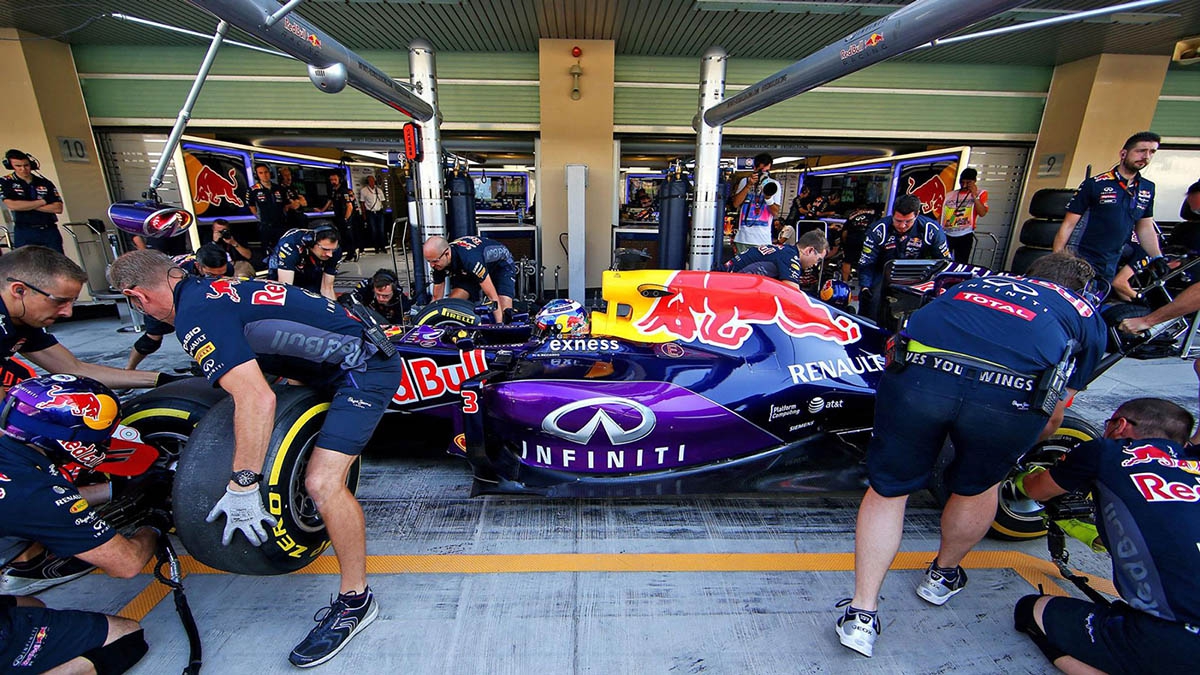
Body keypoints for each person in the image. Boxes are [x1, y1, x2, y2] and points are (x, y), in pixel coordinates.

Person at [110, 249, 406, 668]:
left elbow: (257, 399)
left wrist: (243, 484)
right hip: (321, 361)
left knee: (321, 483)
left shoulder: (196, 314)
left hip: (364, 368)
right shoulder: (204, 290)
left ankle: (357, 600)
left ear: (137, 297)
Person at [835, 252, 1106, 658]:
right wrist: (1017, 447)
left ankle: (861, 614)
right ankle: (941, 577)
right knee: (978, 487)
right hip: (1008, 395)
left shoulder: (975, 282)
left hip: (919, 376)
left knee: (888, 491)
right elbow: (1055, 412)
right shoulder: (1084, 312)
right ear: (1079, 289)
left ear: (1028, 274)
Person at [1015, 398, 1200, 675]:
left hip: (1179, 638)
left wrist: (1028, 475)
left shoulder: (1105, 451)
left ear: (1120, 425)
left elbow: (1036, 490)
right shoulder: (1193, 461)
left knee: (1030, 609)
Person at [0, 375, 164, 674]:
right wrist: (154, 524)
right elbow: (126, 564)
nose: (102, 442)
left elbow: (33, 503)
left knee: (30, 606)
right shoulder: (37, 493)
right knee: (125, 638)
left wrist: (115, 490)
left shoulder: (17, 466)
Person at [0, 246, 170, 391]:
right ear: (19, 291)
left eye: (72, 302)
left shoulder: (24, 319)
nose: (68, 313)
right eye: (59, 301)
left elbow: (74, 369)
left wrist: (164, 380)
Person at [1054, 131, 1163, 281]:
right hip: (1080, 257)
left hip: (1110, 261)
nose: (1146, 156)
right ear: (1123, 154)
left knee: (1100, 295)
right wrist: (1057, 259)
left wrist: (1157, 257)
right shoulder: (1095, 184)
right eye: (1141, 151)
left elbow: (1145, 227)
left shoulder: (1147, 188)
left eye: (1152, 152)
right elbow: (1068, 225)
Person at [126, 243, 234, 370]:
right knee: (152, 340)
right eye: (211, 274)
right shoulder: (177, 272)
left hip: (195, 297)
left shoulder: (227, 268)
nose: (217, 278)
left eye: (220, 274)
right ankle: (128, 370)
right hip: (161, 296)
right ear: (198, 266)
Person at [857, 194, 951, 324]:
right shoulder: (879, 230)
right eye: (898, 221)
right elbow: (866, 262)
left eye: (908, 221)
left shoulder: (931, 230)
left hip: (919, 276)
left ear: (917, 214)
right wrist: (865, 286)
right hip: (883, 274)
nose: (902, 226)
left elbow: (945, 262)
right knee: (871, 302)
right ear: (892, 214)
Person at [423, 235, 516, 324]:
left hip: (500, 265)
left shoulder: (470, 258)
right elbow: (436, 300)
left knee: (504, 312)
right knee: (451, 305)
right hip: (469, 270)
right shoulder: (438, 262)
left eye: (435, 261)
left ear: (447, 254)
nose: (432, 265)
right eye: (429, 261)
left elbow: (492, 296)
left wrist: (499, 324)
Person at [1, 149, 64, 253]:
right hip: (25, 231)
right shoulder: (5, 182)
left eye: (26, 165)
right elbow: (13, 205)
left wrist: (26, 205)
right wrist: (43, 201)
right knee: (25, 262)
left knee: (56, 261)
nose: (23, 169)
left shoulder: (45, 182)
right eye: (18, 166)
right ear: (10, 166)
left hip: (49, 230)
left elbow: (58, 208)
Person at [723, 230, 827, 292]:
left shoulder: (784, 250)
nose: (815, 264)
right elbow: (793, 294)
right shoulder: (791, 258)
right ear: (809, 250)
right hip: (726, 287)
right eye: (818, 259)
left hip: (724, 279)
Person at [268, 226, 342, 300]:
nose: (330, 254)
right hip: (283, 266)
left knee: (315, 295)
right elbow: (286, 289)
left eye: (333, 249)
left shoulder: (335, 251)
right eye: (325, 249)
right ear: (311, 243)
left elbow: (327, 288)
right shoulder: (290, 245)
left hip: (310, 266)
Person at [731, 153, 781, 254]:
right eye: (761, 171)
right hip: (743, 238)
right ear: (754, 168)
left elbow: (775, 213)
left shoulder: (774, 185)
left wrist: (768, 198)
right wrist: (748, 185)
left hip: (763, 239)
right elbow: (735, 204)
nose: (764, 174)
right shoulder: (745, 181)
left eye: (766, 171)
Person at [941, 167, 989, 263]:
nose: (964, 185)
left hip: (965, 234)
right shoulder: (950, 195)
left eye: (968, 183)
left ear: (974, 181)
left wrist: (974, 196)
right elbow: (942, 214)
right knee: (943, 260)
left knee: (961, 262)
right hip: (947, 233)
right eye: (962, 182)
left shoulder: (981, 193)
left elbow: (982, 212)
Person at [340, 269, 408, 326]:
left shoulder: (402, 301)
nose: (380, 299)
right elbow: (347, 303)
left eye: (385, 296)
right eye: (378, 294)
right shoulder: (365, 288)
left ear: (394, 291)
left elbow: (403, 326)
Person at [247, 163, 288, 257]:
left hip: (281, 224)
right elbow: (252, 207)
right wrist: (261, 218)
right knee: (266, 251)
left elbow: (285, 205)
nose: (264, 175)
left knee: (283, 249)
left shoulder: (279, 188)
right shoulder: (253, 190)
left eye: (266, 172)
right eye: (261, 173)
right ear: (257, 175)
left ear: (270, 173)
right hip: (265, 225)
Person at [323, 172, 357, 262]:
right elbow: (330, 201)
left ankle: (352, 254)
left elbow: (350, 206)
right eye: (331, 180)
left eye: (335, 179)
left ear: (339, 180)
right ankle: (346, 253)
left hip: (345, 217)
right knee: (342, 237)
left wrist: (346, 219)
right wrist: (322, 210)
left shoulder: (344, 191)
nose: (333, 182)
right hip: (338, 217)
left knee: (348, 236)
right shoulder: (333, 191)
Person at [358, 175, 387, 253]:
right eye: (370, 181)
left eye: (373, 180)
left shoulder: (379, 190)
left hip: (379, 212)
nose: (372, 182)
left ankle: (383, 246)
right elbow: (362, 203)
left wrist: (384, 210)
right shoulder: (364, 191)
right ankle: (376, 247)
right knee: (374, 230)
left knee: (381, 230)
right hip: (370, 212)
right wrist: (364, 214)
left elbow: (383, 201)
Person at [278, 166, 308, 231]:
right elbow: (291, 206)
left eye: (289, 175)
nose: (288, 177)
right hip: (289, 221)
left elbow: (304, 203)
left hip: (300, 219)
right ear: (281, 177)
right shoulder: (279, 189)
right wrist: (295, 203)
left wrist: (297, 202)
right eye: (285, 175)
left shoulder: (294, 188)